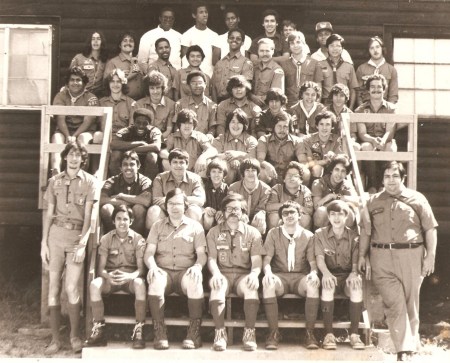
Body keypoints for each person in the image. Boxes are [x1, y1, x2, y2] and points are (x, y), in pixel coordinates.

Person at [358, 161, 438, 361]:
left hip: (411, 255)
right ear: (382, 179)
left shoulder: (417, 199)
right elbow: (366, 232)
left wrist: (430, 257)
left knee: (411, 303)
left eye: (394, 176)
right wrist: (362, 255)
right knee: (395, 302)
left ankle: (411, 345)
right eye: (386, 176)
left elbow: (430, 229)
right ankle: (403, 350)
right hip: (381, 258)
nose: (390, 180)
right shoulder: (373, 201)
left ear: (402, 178)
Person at [40, 141, 97, 355]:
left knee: (71, 288)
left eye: (78, 155)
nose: (74, 159)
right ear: (65, 157)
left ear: (83, 158)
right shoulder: (54, 181)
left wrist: (82, 243)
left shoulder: (90, 182)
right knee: (53, 288)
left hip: (75, 238)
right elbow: (49, 214)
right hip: (55, 236)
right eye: (71, 154)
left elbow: (89, 217)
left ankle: (74, 335)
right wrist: (44, 243)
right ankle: (55, 339)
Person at [144, 188, 207, 350]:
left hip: (185, 273)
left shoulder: (195, 227)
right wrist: (152, 267)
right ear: (166, 206)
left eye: (178, 203)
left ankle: (194, 332)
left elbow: (201, 254)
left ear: (185, 206)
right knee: (155, 280)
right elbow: (149, 253)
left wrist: (198, 267)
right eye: (170, 203)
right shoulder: (157, 226)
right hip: (164, 272)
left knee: (195, 280)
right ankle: (160, 332)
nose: (174, 207)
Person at [206, 194, 265, 351]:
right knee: (217, 286)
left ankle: (249, 333)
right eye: (229, 209)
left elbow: (257, 261)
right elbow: (211, 258)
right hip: (223, 273)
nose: (233, 213)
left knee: (251, 286)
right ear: (223, 212)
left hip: (243, 275)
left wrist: (254, 274)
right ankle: (220, 333)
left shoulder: (253, 233)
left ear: (244, 212)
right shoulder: (213, 232)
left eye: (237, 209)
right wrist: (216, 274)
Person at [84, 205, 147, 349]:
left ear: (131, 221)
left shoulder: (138, 239)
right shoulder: (106, 239)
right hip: (111, 278)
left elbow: (141, 270)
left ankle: (139, 330)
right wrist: (107, 275)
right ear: (113, 221)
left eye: (125, 219)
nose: (122, 222)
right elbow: (100, 269)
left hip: (130, 278)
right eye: (118, 219)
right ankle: (98, 329)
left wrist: (130, 276)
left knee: (140, 284)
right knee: (94, 285)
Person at [262, 201, 320, 350]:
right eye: (285, 213)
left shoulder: (308, 235)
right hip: (280, 277)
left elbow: (313, 262)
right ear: (281, 217)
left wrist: (313, 274)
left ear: (299, 215)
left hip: (300, 277)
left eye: (292, 212)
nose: (289, 216)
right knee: (268, 283)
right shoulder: (273, 233)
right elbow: (267, 259)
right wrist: (268, 273)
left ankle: (309, 333)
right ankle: (273, 332)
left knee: (312, 284)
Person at [315, 200, 365, 350]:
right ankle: (328, 334)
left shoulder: (354, 236)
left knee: (356, 287)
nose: (336, 218)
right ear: (328, 217)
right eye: (333, 214)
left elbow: (355, 259)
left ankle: (355, 334)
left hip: (347, 275)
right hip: (329, 273)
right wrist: (325, 274)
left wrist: (354, 273)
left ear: (346, 217)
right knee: (328, 286)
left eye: (340, 215)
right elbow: (319, 258)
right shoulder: (320, 234)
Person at [50, 66, 100, 174]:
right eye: (72, 80)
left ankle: (80, 173)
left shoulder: (91, 98)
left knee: (82, 139)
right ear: (67, 82)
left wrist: (75, 135)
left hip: (84, 131)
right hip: (65, 130)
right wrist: (68, 135)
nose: (75, 83)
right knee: (56, 138)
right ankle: (56, 171)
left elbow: (88, 121)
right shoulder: (61, 96)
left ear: (84, 82)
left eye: (78, 80)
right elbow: (60, 119)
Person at [355, 74, 397, 193]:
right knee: (366, 147)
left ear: (384, 89)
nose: (376, 89)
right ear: (368, 90)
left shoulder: (391, 108)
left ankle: (385, 185)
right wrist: (373, 140)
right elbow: (362, 133)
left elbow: (390, 131)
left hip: (386, 140)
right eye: (372, 87)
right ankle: (373, 185)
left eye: (379, 87)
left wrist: (383, 141)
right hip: (369, 141)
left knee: (391, 148)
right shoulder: (361, 110)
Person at [146, 149, 205, 229]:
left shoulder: (195, 178)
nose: (178, 165)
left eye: (181, 162)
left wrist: (172, 199)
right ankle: (157, 240)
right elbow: (156, 200)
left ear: (187, 165)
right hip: (166, 213)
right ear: (170, 164)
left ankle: (193, 238)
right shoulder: (160, 178)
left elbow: (200, 200)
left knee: (195, 210)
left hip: (186, 213)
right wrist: (174, 211)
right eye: (175, 162)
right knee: (154, 210)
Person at [100, 151, 152, 236]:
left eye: (132, 164)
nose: (128, 167)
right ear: (120, 167)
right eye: (125, 164)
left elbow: (146, 201)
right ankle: (114, 238)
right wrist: (131, 201)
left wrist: (121, 196)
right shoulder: (113, 180)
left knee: (139, 208)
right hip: (118, 216)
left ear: (138, 166)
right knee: (106, 208)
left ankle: (135, 240)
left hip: (136, 220)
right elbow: (101, 199)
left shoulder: (144, 181)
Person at [110, 108, 162, 180]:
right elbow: (113, 144)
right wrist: (139, 143)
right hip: (128, 160)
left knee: (152, 156)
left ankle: (148, 184)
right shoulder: (127, 130)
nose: (141, 126)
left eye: (145, 123)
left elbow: (156, 147)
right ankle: (117, 181)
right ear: (133, 122)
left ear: (150, 124)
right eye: (138, 122)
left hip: (146, 161)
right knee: (116, 154)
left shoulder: (154, 131)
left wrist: (128, 149)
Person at [162, 108, 218, 174]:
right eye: (184, 123)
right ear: (179, 124)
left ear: (194, 124)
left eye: (190, 123)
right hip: (178, 170)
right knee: (165, 161)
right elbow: (162, 152)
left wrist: (202, 158)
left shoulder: (199, 136)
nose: (187, 126)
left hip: (196, 172)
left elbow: (213, 150)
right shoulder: (173, 136)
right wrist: (176, 160)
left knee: (207, 161)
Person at [256, 111, 304, 187]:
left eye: (285, 126)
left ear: (289, 128)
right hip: (271, 173)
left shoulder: (297, 141)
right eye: (279, 126)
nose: (282, 130)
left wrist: (292, 172)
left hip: (289, 173)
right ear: (273, 126)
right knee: (262, 173)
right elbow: (260, 159)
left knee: (306, 173)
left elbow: (303, 161)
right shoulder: (264, 140)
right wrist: (267, 165)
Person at [311, 154, 359, 229]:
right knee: (321, 211)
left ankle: (346, 238)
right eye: (337, 169)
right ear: (331, 170)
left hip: (340, 216)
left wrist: (338, 197)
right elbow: (316, 206)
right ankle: (319, 238)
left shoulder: (346, 184)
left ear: (346, 174)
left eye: (343, 171)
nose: (339, 174)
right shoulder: (319, 183)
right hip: (324, 219)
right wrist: (329, 196)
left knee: (350, 212)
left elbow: (357, 201)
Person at [298, 110, 343, 186]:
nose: (324, 128)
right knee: (317, 168)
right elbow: (309, 163)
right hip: (313, 172)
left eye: (328, 124)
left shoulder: (337, 140)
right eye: (321, 124)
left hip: (332, 171)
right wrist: (324, 162)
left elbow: (339, 161)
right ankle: (314, 192)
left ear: (332, 127)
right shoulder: (308, 140)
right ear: (317, 126)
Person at [213, 108, 257, 184]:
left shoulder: (251, 140)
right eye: (233, 122)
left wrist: (237, 154)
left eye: (239, 122)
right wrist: (231, 160)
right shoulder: (220, 138)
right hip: (226, 176)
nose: (236, 125)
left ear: (244, 125)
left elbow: (253, 158)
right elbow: (215, 156)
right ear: (228, 124)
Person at [266, 161, 314, 230]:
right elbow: (268, 207)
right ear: (284, 179)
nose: (292, 178)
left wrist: (295, 208)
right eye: (289, 175)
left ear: (301, 180)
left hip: (297, 216)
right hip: (281, 215)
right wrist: (286, 206)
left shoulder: (305, 191)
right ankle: (275, 238)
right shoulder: (277, 188)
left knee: (306, 218)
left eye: (295, 176)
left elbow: (309, 210)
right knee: (274, 217)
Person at [229, 158, 271, 235]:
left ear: (258, 172)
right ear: (243, 173)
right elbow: (232, 205)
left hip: (255, 217)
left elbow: (263, 207)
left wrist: (261, 213)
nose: (250, 173)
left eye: (253, 170)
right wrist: (240, 213)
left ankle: (256, 243)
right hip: (240, 216)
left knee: (260, 222)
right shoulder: (234, 187)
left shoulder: (265, 189)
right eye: (247, 170)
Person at [211, 27, 254, 103]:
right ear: (228, 40)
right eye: (232, 38)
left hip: (236, 103)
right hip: (218, 104)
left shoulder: (246, 62)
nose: (234, 40)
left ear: (242, 43)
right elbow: (213, 87)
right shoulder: (219, 63)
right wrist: (215, 105)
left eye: (238, 39)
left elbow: (245, 87)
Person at [317, 34, 358, 109]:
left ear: (342, 48)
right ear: (327, 48)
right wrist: (318, 107)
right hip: (326, 104)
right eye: (332, 46)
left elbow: (353, 89)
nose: (334, 48)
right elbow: (318, 89)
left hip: (343, 104)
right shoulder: (320, 65)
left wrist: (351, 107)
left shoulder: (349, 67)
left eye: (338, 46)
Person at [280, 31, 320, 107]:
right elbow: (281, 89)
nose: (295, 46)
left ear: (304, 44)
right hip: (289, 106)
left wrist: (316, 107)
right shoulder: (283, 64)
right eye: (292, 43)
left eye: (298, 42)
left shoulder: (315, 63)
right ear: (289, 46)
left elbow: (319, 89)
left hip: (309, 105)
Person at [356, 36, 398, 106]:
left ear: (382, 48)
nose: (375, 50)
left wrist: (388, 110)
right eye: (372, 48)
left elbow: (393, 95)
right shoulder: (361, 69)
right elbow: (358, 94)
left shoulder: (391, 70)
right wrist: (362, 109)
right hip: (366, 108)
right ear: (368, 51)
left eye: (377, 47)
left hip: (385, 108)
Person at [134, 71, 176, 140]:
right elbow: (133, 127)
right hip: (141, 140)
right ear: (148, 89)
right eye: (152, 88)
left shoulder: (171, 105)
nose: (155, 91)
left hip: (162, 140)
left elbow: (169, 130)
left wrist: (156, 139)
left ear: (163, 88)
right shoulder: (138, 104)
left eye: (158, 88)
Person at [180, 2, 218, 78]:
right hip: (192, 77)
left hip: (209, 76)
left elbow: (215, 61)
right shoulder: (187, 35)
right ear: (194, 15)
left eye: (206, 12)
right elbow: (185, 59)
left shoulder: (214, 35)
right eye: (201, 12)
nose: (205, 15)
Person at [174, 70, 217, 137]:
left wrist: (210, 135)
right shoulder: (180, 104)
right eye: (193, 83)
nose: (197, 86)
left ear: (205, 84)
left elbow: (212, 128)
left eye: (200, 83)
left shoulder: (212, 106)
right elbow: (177, 126)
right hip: (185, 140)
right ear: (188, 85)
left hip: (204, 141)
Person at [104, 31, 144, 100]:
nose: (128, 43)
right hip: (122, 101)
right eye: (125, 41)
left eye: (131, 41)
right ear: (120, 45)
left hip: (139, 101)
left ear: (134, 45)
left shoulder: (138, 62)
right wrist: (128, 76)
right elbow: (106, 84)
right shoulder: (112, 62)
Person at [69, 30, 108, 98]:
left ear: (102, 42)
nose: (95, 41)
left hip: (98, 96)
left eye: (98, 39)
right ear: (89, 42)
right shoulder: (79, 58)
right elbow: (69, 77)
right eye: (93, 39)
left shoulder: (105, 61)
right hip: (81, 95)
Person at [99, 68, 136, 136]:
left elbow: (132, 127)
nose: (115, 84)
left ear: (123, 83)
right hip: (105, 137)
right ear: (108, 83)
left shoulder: (131, 103)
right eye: (112, 81)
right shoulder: (101, 103)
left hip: (123, 137)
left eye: (118, 81)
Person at [252, 38, 285, 106]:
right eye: (261, 51)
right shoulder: (255, 69)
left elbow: (275, 95)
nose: (264, 54)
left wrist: (254, 99)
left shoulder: (277, 71)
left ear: (272, 51)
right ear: (258, 52)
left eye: (267, 51)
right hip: (252, 107)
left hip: (268, 108)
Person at [202, 158, 229, 231]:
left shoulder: (227, 189)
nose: (216, 175)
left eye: (220, 172)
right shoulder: (204, 186)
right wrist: (206, 209)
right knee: (208, 218)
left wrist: (222, 211)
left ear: (224, 174)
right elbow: (200, 203)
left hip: (219, 217)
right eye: (213, 171)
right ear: (209, 174)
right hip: (207, 219)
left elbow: (229, 204)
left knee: (222, 220)